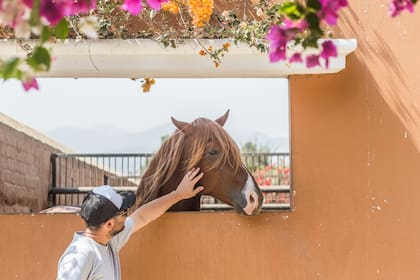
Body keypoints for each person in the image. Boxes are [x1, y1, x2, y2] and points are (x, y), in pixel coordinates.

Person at [57, 167, 204, 280]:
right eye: (124, 213)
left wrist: (178, 194)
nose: (128, 215)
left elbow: (142, 216)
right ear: (109, 224)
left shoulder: (108, 240)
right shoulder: (80, 255)